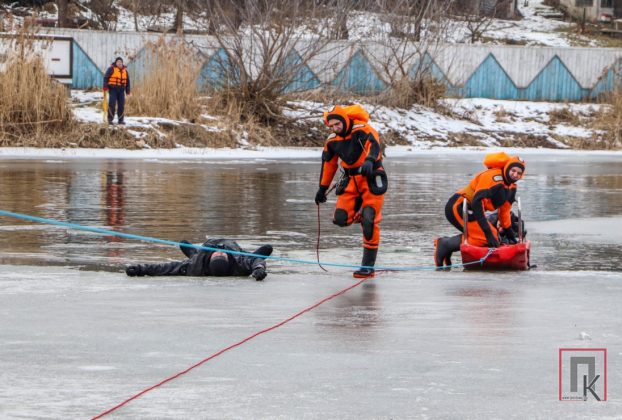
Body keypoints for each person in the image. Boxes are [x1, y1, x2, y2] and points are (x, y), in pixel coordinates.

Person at [315, 104, 388, 278]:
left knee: (370, 221)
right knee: (340, 219)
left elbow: (374, 145)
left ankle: (367, 267)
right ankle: (361, 213)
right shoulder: (332, 141)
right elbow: (328, 165)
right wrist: (322, 189)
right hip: (349, 181)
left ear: (344, 120)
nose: (335, 128)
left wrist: (370, 160)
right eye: (331, 126)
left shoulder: (362, 129)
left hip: (370, 177)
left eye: (337, 124)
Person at [434, 152, 526, 268]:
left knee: (495, 237)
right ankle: (445, 245)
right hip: (459, 207)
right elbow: (477, 202)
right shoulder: (493, 177)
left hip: (472, 211)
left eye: (519, 173)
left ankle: (449, 244)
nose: (515, 174)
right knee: (486, 238)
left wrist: (511, 235)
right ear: (507, 168)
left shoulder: (511, 187)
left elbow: (504, 212)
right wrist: (487, 232)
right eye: (513, 170)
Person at [125, 238, 273, 280]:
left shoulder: (194, 266)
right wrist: (258, 269)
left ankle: (192, 252)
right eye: (221, 255)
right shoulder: (240, 263)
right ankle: (255, 252)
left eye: (218, 255)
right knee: (259, 254)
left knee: (190, 251)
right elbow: (256, 262)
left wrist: (141, 268)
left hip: (201, 253)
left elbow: (166, 268)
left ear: (211, 260)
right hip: (233, 248)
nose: (219, 252)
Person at [103, 56, 131, 125]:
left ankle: (120, 120)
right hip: (113, 89)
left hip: (121, 90)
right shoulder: (111, 69)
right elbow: (105, 78)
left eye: (120, 62)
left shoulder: (125, 71)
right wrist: (105, 87)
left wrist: (128, 91)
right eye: (118, 62)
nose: (119, 63)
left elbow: (127, 82)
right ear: (116, 63)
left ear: (122, 63)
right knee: (112, 104)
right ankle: (110, 119)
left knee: (121, 105)